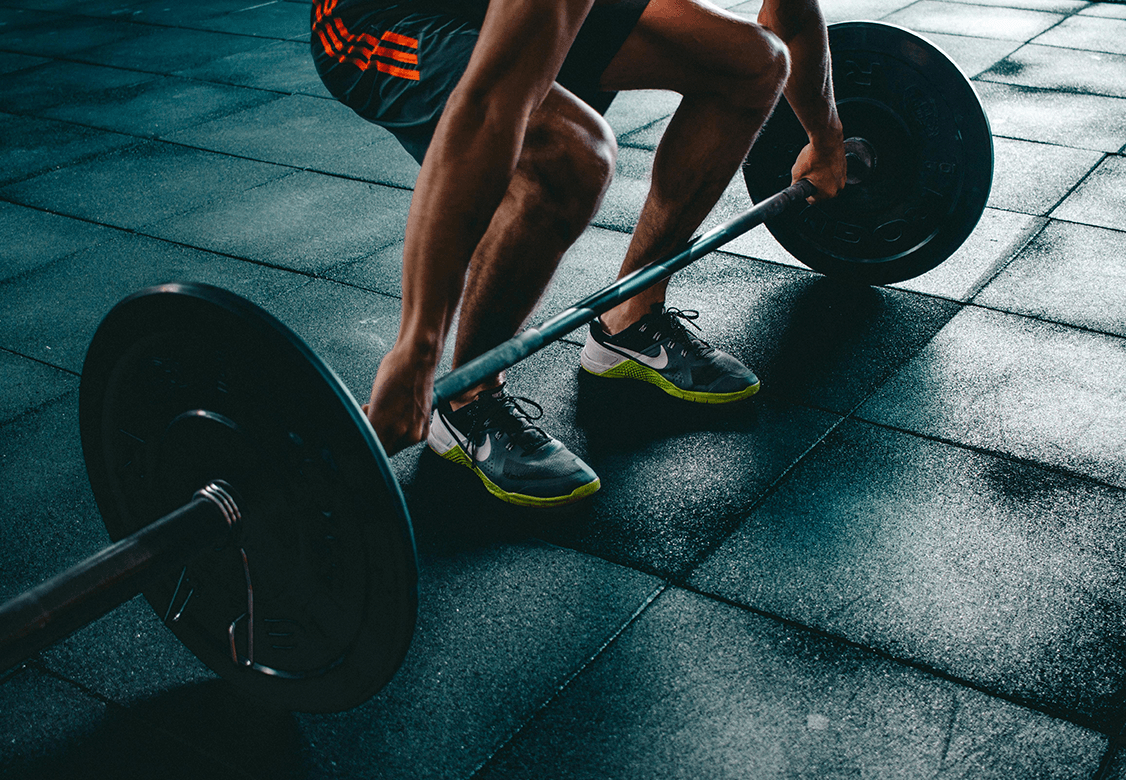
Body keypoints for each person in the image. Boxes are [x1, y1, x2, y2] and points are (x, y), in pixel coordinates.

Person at [311, 0, 846, 507]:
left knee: (753, 63)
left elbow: (791, 18)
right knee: (572, 153)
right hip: (380, 17)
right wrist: (416, 349)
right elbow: (489, 106)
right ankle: (467, 400)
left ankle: (630, 317)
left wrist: (825, 139)